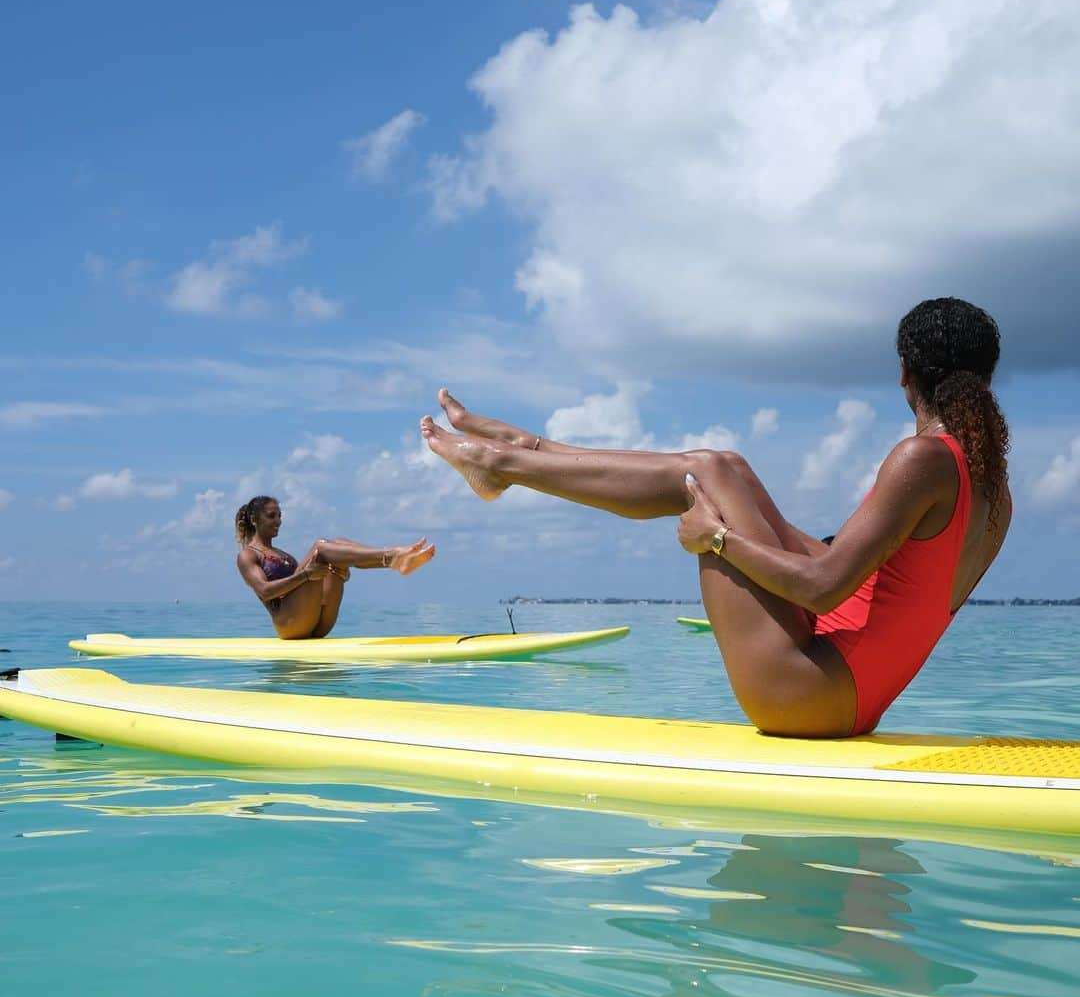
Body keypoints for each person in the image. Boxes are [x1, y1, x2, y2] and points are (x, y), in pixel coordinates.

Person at [420, 297, 1010, 737]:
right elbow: (870, 591)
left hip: (807, 697)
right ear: (985, 376)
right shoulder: (993, 494)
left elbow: (825, 589)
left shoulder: (923, 459)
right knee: (728, 468)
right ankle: (524, 450)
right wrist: (745, 512)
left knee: (703, 475)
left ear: (905, 372)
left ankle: (505, 460)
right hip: (852, 697)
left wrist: (719, 537)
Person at [235, 496, 435, 639]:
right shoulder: (248, 555)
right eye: (272, 516)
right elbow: (265, 591)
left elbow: (311, 585)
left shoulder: (283, 554)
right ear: (254, 520)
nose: (278, 521)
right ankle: (392, 556)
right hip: (289, 625)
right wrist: (305, 575)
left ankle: (396, 562)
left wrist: (338, 575)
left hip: (316, 623)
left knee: (336, 546)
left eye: (280, 515)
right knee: (320, 548)